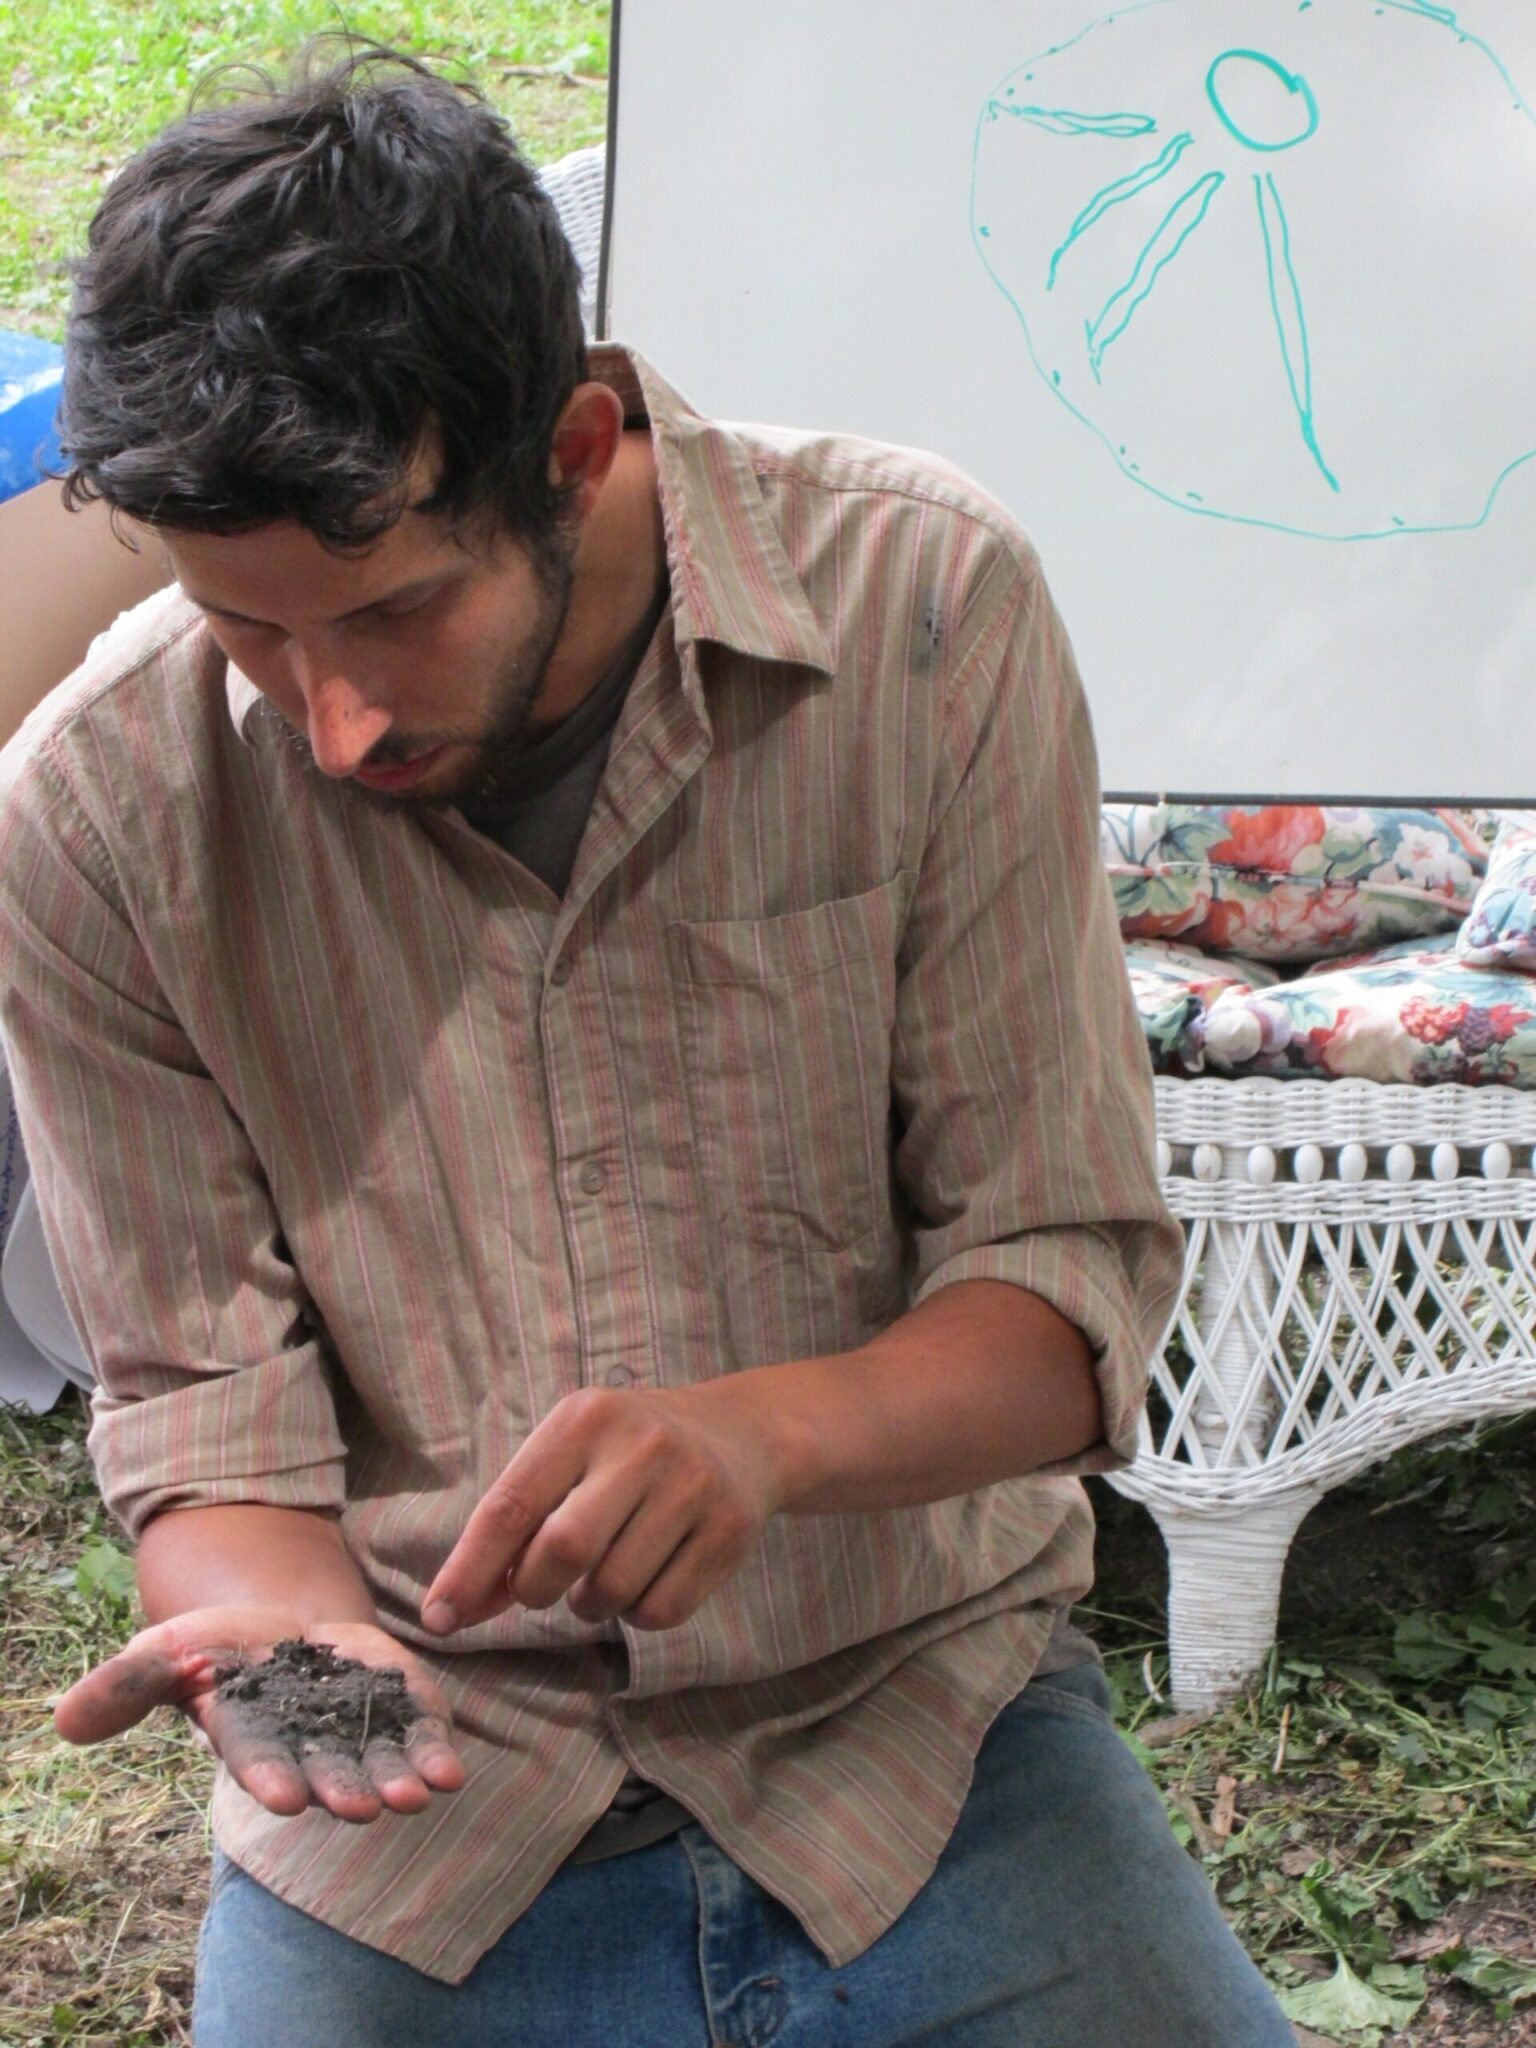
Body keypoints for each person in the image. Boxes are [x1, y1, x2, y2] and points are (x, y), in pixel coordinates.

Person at [0, 45, 1295, 2048]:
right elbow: (203, 1412)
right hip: (429, 1783)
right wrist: (277, 1644)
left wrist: (761, 1438)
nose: (328, 724)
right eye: (249, 633)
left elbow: (1061, 1293)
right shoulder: (95, 810)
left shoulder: (926, 609)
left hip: (917, 1720)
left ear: (581, 442)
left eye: (392, 613)